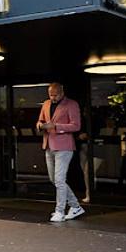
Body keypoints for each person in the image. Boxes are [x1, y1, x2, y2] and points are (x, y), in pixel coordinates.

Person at [36, 83, 85, 222]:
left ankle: (60, 211)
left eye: (55, 95)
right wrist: (40, 125)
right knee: (54, 180)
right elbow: (40, 120)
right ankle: (75, 206)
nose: (53, 97)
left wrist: (56, 126)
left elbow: (76, 126)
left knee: (59, 180)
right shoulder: (46, 104)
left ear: (62, 92)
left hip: (64, 146)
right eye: (50, 95)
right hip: (48, 145)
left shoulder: (72, 104)